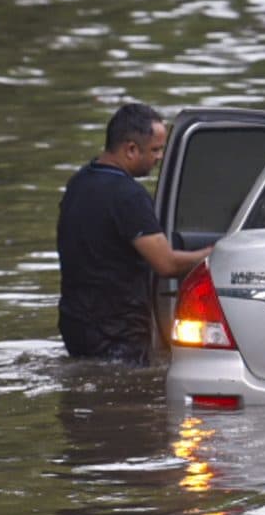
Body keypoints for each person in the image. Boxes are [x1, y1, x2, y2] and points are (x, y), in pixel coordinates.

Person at [56, 103, 209, 364]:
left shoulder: (78, 183)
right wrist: (212, 254)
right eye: (155, 150)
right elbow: (166, 264)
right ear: (131, 149)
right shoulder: (128, 196)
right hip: (118, 332)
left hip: (75, 324)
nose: (160, 157)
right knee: (126, 388)